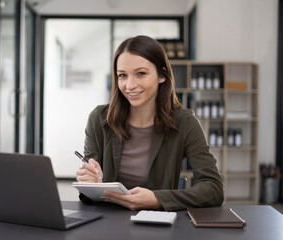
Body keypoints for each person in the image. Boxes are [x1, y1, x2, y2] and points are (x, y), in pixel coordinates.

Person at [75, 35, 224, 211]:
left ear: (161, 75)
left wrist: (158, 199)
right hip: (108, 220)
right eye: (122, 75)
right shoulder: (99, 118)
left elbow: (213, 188)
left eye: (141, 74)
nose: (130, 85)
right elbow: (89, 188)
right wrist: (90, 183)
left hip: (158, 222)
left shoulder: (185, 122)